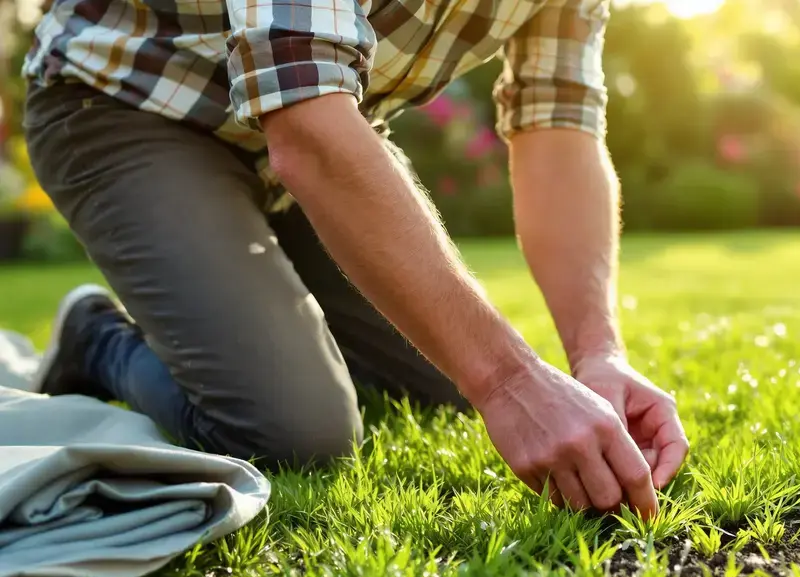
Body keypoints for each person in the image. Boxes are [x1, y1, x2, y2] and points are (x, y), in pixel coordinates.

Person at [20, 0, 687, 519]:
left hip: (304, 133)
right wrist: (510, 381)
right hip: (130, 106)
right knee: (292, 432)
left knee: (442, 383)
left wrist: (598, 352)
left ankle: (247, 309)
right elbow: (307, 126)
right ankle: (96, 338)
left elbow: (559, 124)